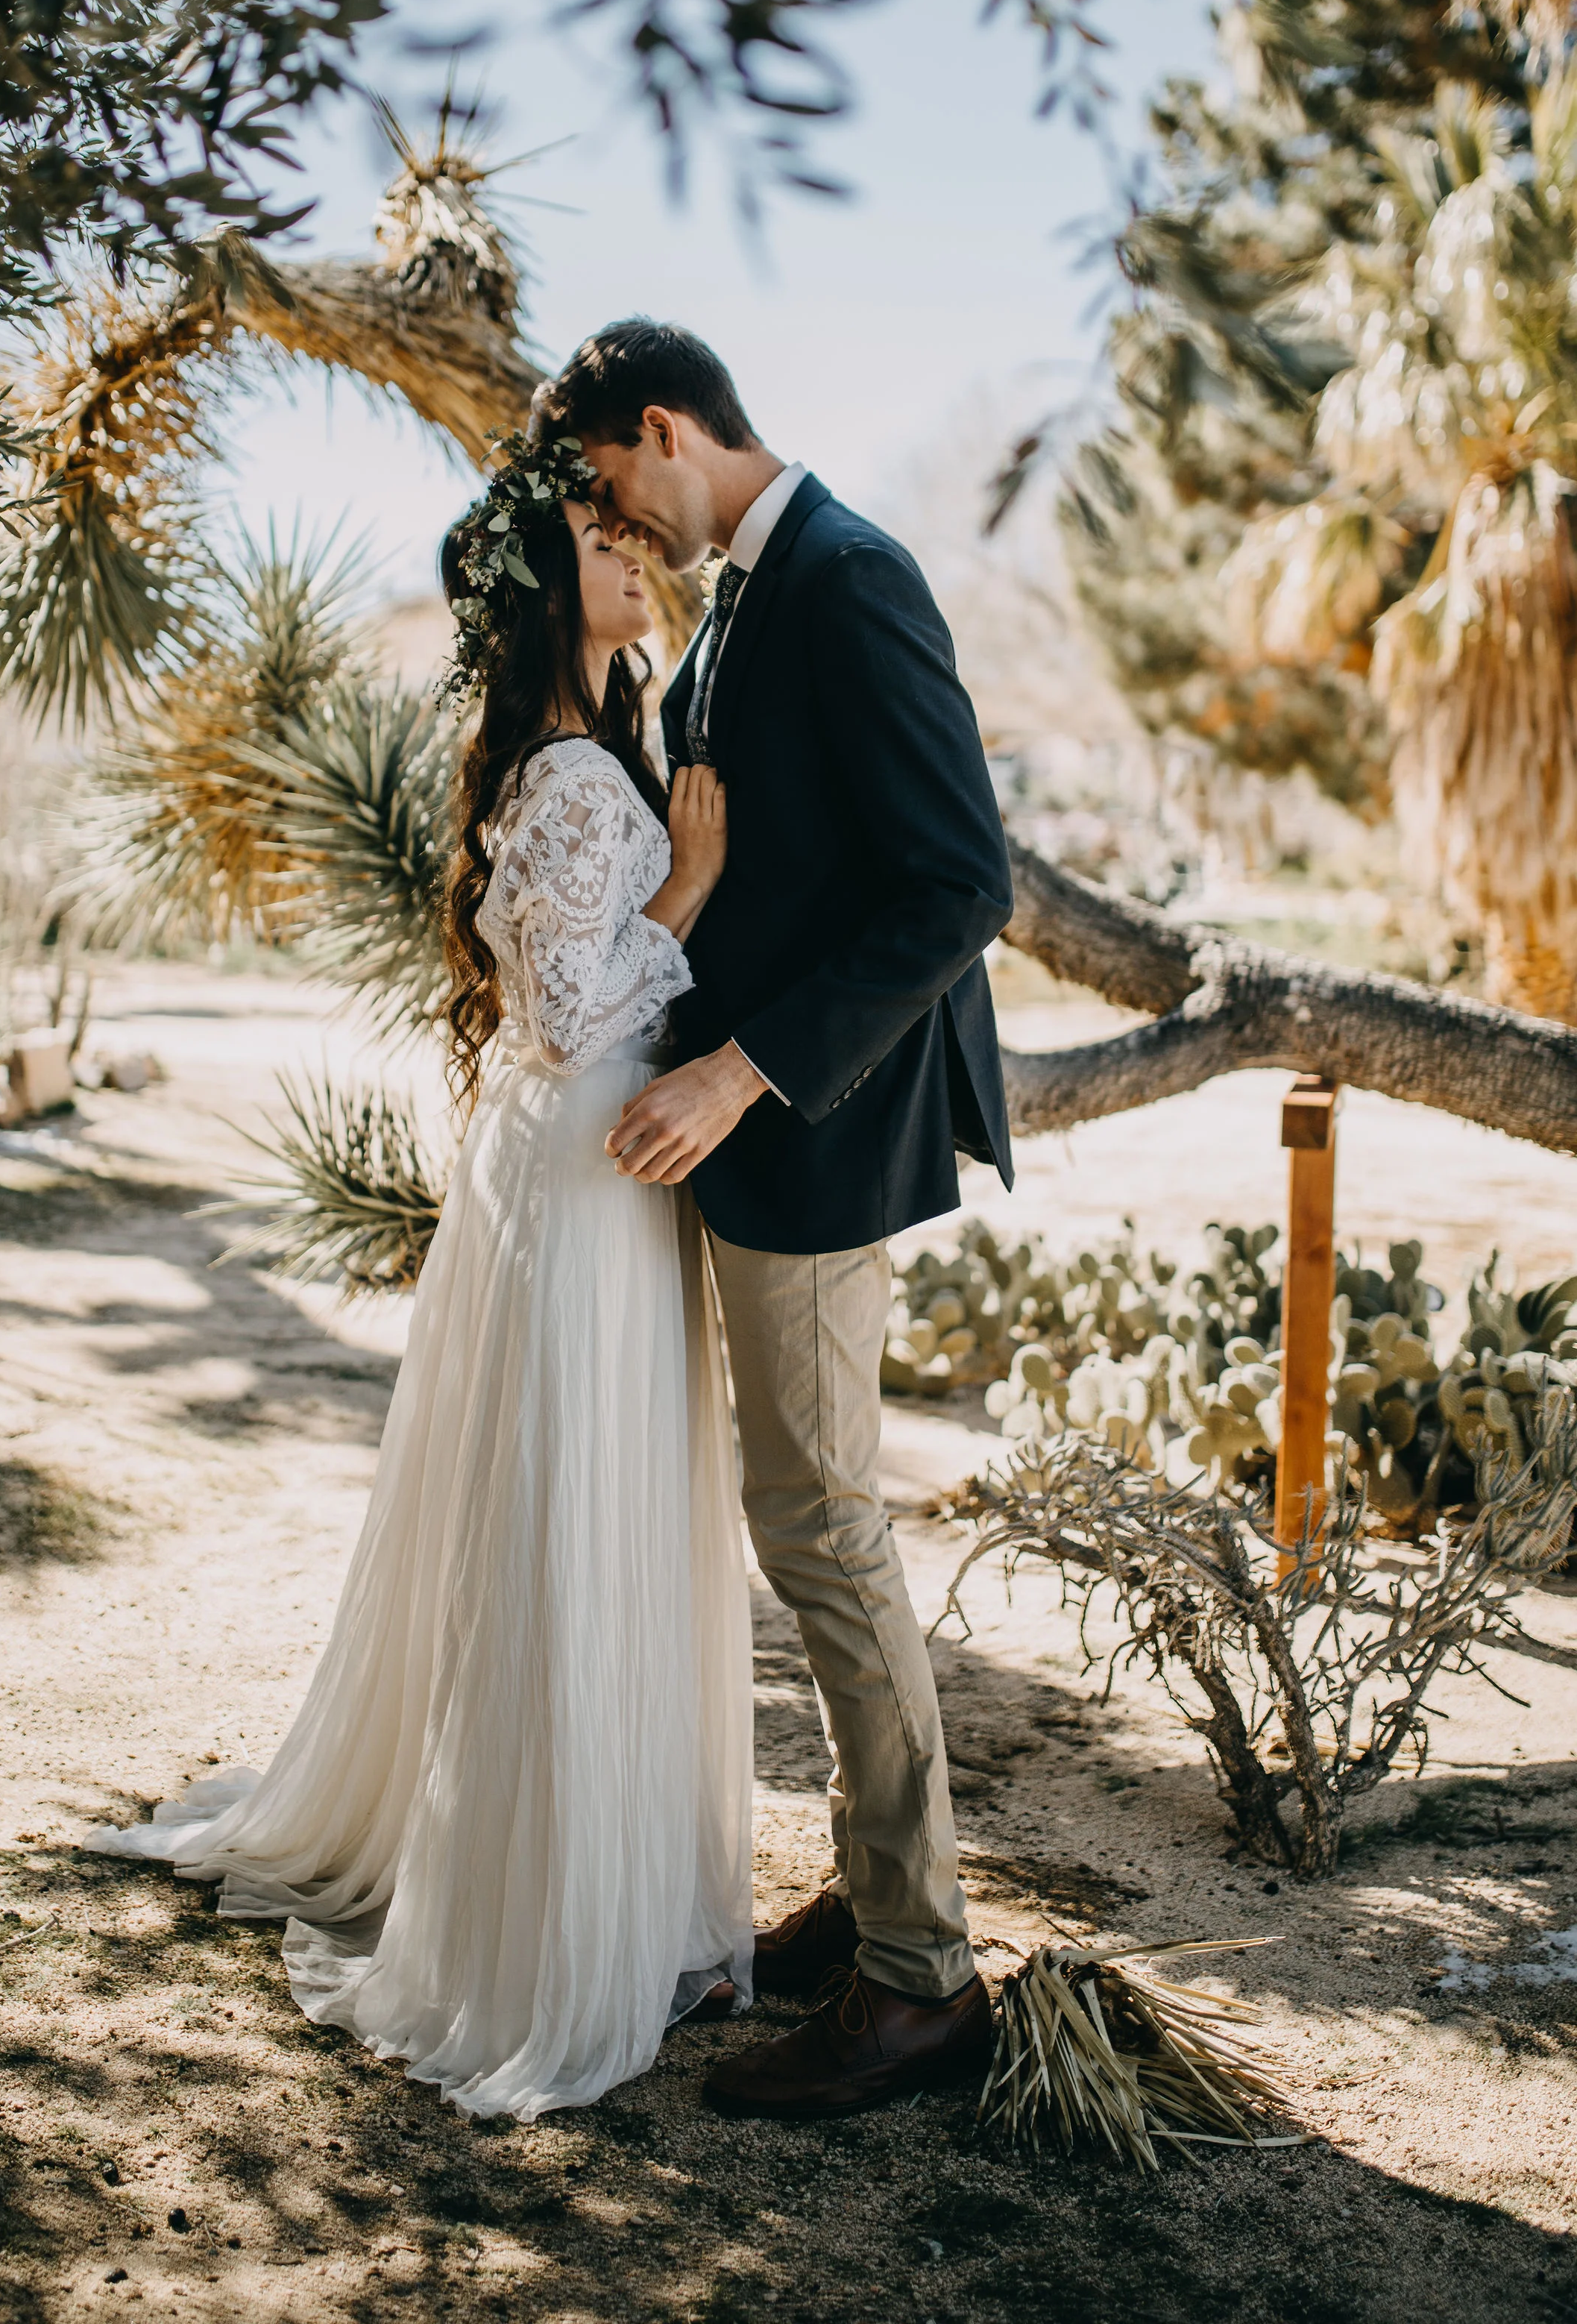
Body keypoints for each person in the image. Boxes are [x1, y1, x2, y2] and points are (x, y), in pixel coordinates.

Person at [86, 436, 755, 2123]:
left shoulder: (579, 755)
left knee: (566, 1502)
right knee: (574, 1508)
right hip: (591, 1158)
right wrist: (692, 883)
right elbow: (575, 1015)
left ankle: (582, 1867)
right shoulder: (576, 778)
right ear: (547, 595)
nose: (631, 550)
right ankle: (553, 1911)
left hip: (570, 1164)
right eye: (599, 539)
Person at [531, 321, 1015, 2120]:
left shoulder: (849, 574)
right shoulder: (746, 591)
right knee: (803, 1522)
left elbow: (960, 883)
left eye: (607, 480)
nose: (614, 519)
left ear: (664, 429)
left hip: (815, 1140)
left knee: (822, 1529)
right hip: (757, 1137)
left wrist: (738, 1076)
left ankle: (921, 1981)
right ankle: (881, 1899)